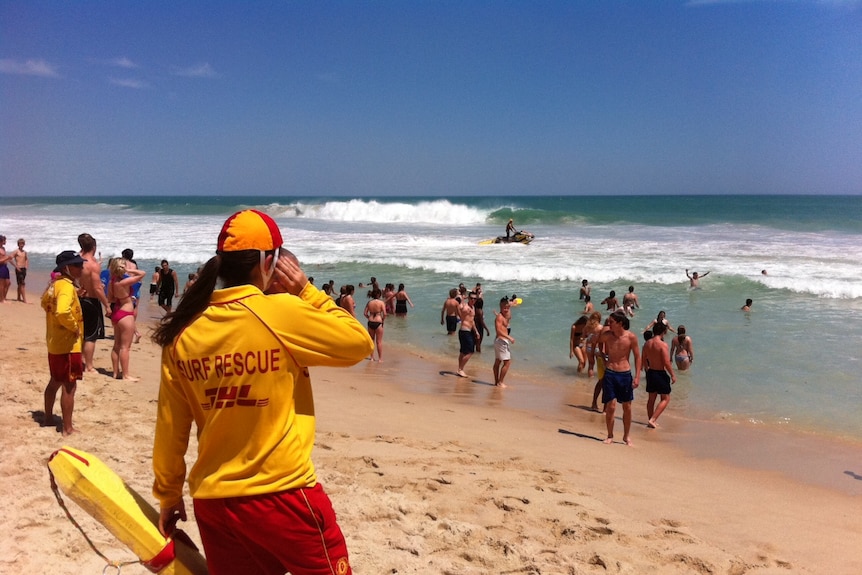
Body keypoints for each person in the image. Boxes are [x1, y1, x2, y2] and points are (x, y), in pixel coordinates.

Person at [151, 209, 373, 575]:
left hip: (214, 501)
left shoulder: (184, 331)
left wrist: (169, 494)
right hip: (281, 493)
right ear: (268, 262)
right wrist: (305, 290)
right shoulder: (281, 312)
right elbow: (358, 343)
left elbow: (170, 429)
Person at [41, 251, 85, 435]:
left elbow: (45, 303)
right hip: (68, 345)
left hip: (54, 342)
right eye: (77, 265)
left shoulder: (55, 284)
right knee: (69, 385)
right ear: (66, 267)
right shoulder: (66, 286)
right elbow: (62, 311)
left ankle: (48, 417)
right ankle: (67, 428)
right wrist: (74, 326)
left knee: (55, 381)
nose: (81, 268)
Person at [596, 311, 641, 445]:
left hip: (624, 374)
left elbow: (637, 356)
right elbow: (597, 341)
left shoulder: (631, 337)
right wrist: (603, 356)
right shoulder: (607, 335)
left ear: (620, 323)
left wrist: (637, 376)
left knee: (627, 406)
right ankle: (610, 435)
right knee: (611, 406)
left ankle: (626, 436)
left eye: (611, 322)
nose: (608, 324)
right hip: (610, 372)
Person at [107, 258, 146, 380]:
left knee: (116, 345)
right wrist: (129, 270)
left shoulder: (112, 282)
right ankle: (125, 375)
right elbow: (142, 274)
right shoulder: (124, 282)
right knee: (125, 347)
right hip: (126, 313)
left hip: (117, 312)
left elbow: (111, 299)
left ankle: (115, 372)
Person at [78, 233, 110, 372]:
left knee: (81, 333)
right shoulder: (93, 264)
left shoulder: (76, 261)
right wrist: (107, 305)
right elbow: (97, 288)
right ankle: (89, 367)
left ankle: (80, 361)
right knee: (91, 336)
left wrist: (77, 289)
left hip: (79, 298)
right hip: (91, 300)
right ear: (94, 246)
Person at [642, 322, 675, 429]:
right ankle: (653, 419)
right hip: (660, 373)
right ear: (664, 332)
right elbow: (666, 362)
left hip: (651, 372)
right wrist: (673, 375)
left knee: (651, 398)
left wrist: (647, 369)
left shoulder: (647, 343)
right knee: (666, 398)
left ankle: (650, 419)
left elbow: (643, 359)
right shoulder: (662, 345)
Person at [456, 292, 479, 377]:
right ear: (468, 298)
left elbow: (472, 321)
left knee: (462, 352)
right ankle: (460, 369)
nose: (473, 300)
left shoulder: (473, 308)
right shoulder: (465, 306)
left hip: (467, 331)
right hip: (464, 331)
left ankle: (460, 369)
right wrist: (460, 316)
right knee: (470, 351)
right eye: (471, 298)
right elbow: (458, 307)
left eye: (475, 298)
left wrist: (476, 331)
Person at [493, 297, 515, 387]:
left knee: (498, 361)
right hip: (501, 341)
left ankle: (496, 381)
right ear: (500, 307)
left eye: (507, 308)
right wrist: (509, 337)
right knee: (507, 362)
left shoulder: (505, 316)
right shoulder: (499, 317)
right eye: (504, 308)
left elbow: (509, 316)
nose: (506, 309)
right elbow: (498, 330)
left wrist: (509, 305)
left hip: (500, 341)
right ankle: (500, 382)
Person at [364, 287, 386, 362]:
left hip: (370, 322)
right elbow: (385, 314)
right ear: (379, 294)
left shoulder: (369, 302)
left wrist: (369, 318)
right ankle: (380, 359)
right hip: (378, 321)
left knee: (371, 340)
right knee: (379, 342)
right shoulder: (381, 302)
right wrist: (382, 320)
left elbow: (365, 313)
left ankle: (372, 358)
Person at [11, 237, 29, 303]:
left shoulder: (25, 252)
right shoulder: (16, 251)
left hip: (24, 269)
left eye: (23, 244)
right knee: (22, 283)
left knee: (19, 284)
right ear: (18, 244)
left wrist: (26, 266)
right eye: (20, 244)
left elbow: (26, 259)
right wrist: (16, 266)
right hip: (18, 268)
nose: (22, 245)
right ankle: (25, 300)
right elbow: (10, 258)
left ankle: (18, 297)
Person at [0, 235, 10, 303]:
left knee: (8, 283)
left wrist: (15, 266)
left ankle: (3, 297)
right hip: (1, 267)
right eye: (4, 240)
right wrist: (7, 258)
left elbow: (6, 257)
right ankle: (2, 299)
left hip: (5, 267)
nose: (5, 241)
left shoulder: (3, 248)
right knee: (2, 284)